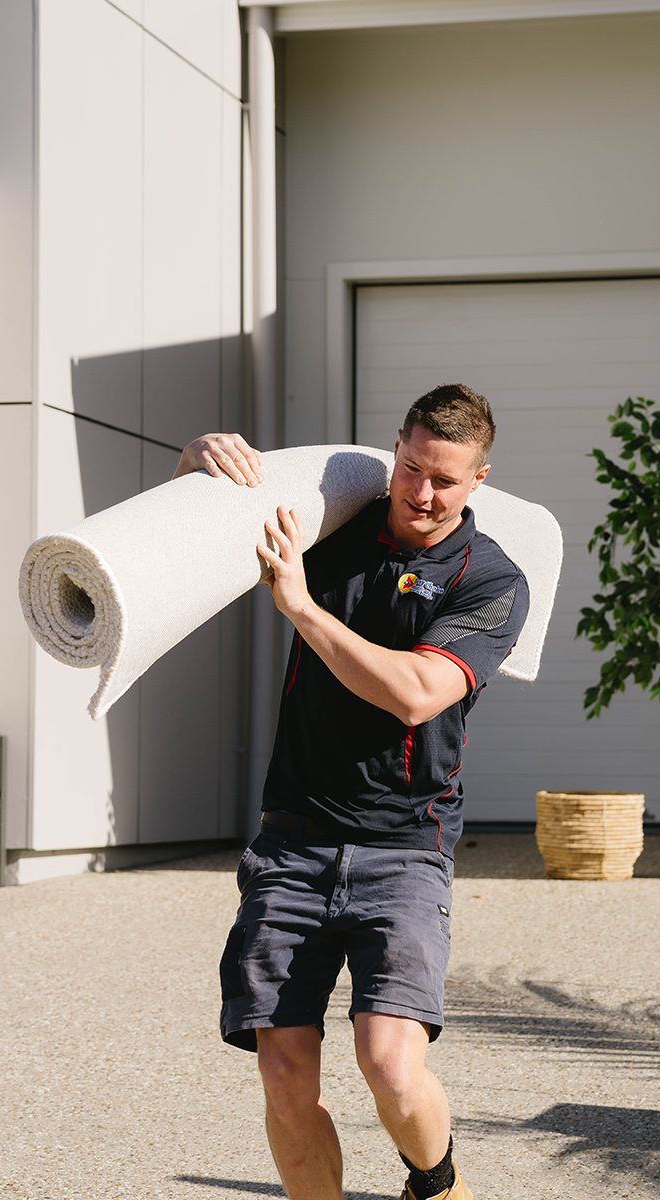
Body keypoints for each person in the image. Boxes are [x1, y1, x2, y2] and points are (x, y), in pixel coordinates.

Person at [174, 384, 530, 1200]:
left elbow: (413, 692)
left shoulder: (492, 581)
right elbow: (190, 536)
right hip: (293, 837)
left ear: (480, 479)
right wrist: (198, 460)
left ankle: (436, 1181)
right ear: (395, 450)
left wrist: (299, 606)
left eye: (444, 480)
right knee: (286, 1075)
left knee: (391, 1064)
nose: (421, 494)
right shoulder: (335, 529)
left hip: (406, 845)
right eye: (410, 469)